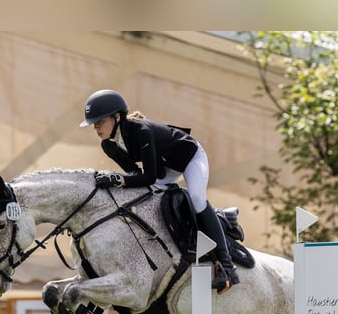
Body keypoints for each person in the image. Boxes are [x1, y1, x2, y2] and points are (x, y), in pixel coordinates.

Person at [80, 89, 239, 293]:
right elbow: (134, 174)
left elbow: (148, 177)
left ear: (117, 117)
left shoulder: (141, 131)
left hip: (189, 158)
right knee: (145, 199)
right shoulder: (108, 146)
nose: (96, 127)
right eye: (94, 123)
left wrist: (118, 180)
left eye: (100, 121)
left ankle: (227, 267)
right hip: (164, 169)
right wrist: (117, 181)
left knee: (197, 198)